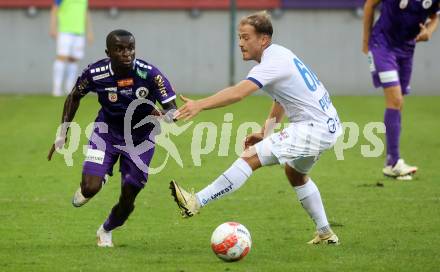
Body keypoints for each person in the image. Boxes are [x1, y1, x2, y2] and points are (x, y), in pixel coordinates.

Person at [170, 11, 341, 245]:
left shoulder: (272, 62)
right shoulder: (280, 55)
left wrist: (199, 104)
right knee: (295, 173)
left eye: (246, 37)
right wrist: (265, 133)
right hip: (328, 126)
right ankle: (325, 232)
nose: (240, 43)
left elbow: (238, 93)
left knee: (250, 157)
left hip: (314, 128)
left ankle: (195, 201)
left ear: (263, 39)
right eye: (239, 37)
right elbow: (281, 99)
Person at [48, 29, 177, 247]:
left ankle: (106, 229)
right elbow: (74, 96)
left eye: (130, 48)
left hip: (140, 139)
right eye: (120, 49)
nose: (127, 53)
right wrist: (63, 132)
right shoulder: (96, 73)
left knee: (129, 195)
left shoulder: (150, 74)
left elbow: (173, 110)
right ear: (109, 52)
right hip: (106, 133)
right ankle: (102, 175)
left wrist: (165, 114)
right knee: (90, 188)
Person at [362, 0, 439, 180]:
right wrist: (366, 43)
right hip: (382, 45)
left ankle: (391, 163)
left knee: (398, 103)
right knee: (395, 100)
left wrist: (429, 31)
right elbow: (369, 5)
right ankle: (394, 162)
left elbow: (435, 15)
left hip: (407, 49)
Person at [50, 0, 94, 97]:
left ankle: (69, 88)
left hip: (79, 32)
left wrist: (89, 31)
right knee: (62, 57)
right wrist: (53, 27)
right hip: (65, 31)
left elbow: (85, 13)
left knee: (73, 59)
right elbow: (54, 9)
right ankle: (56, 89)